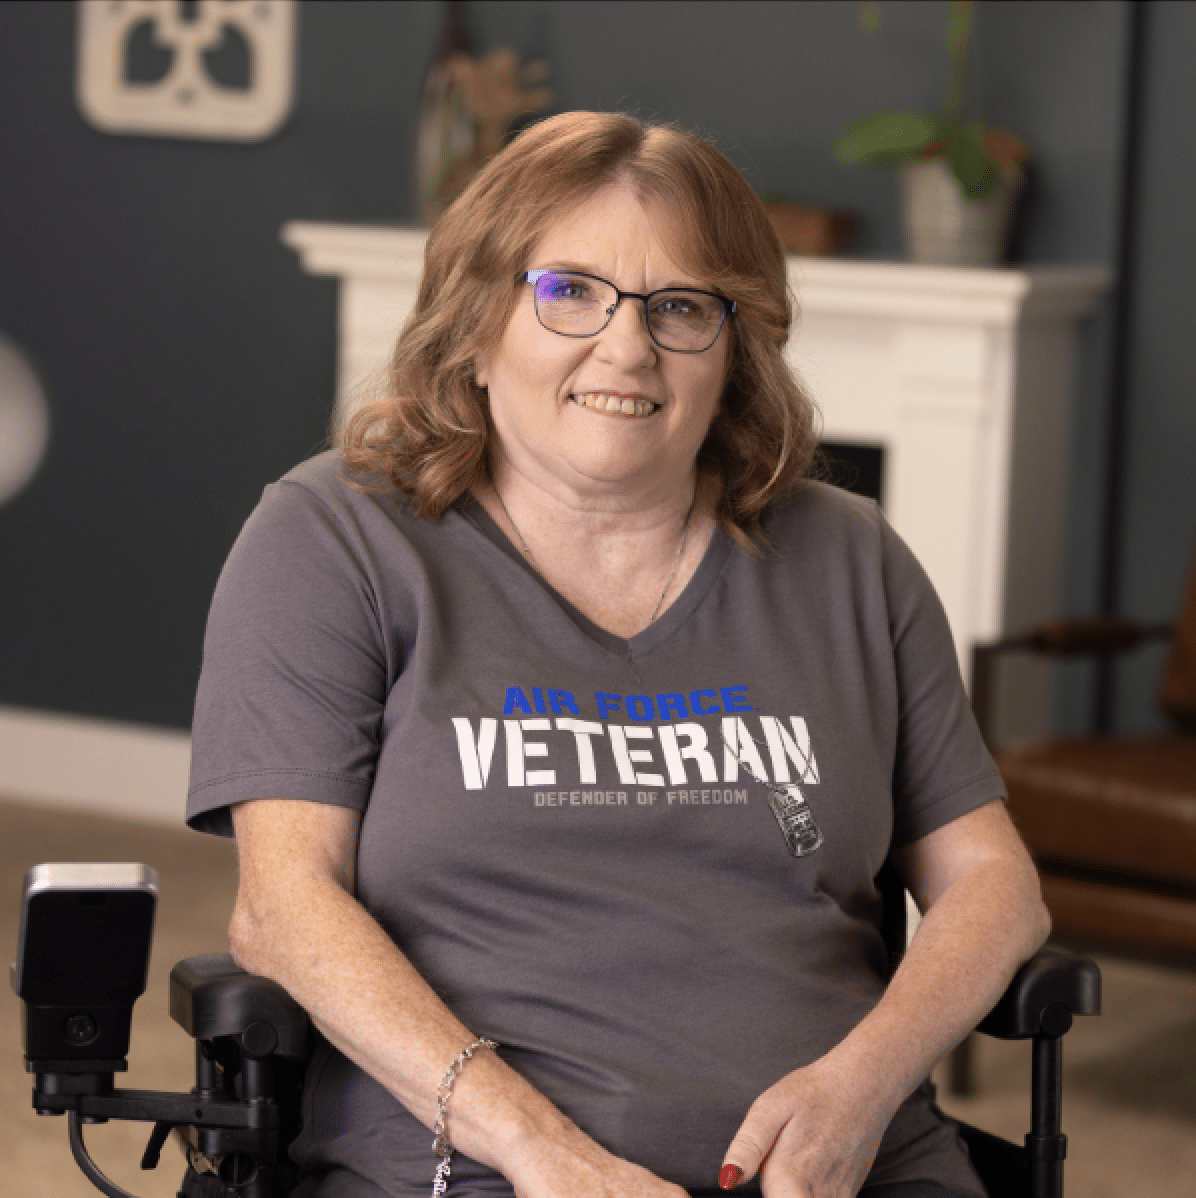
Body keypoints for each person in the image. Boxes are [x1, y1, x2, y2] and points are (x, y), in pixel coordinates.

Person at [187, 111, 1051, 1198]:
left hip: (840, 1171)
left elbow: (992, 883)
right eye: (569, 291)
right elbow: (282, 907)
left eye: (682, 305)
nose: (628, 345)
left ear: (735, 345)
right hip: (478, 1171)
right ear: (475, 318)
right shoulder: (334, 537)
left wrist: (859, 1086)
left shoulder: (848, 558)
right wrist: (543, 1152)